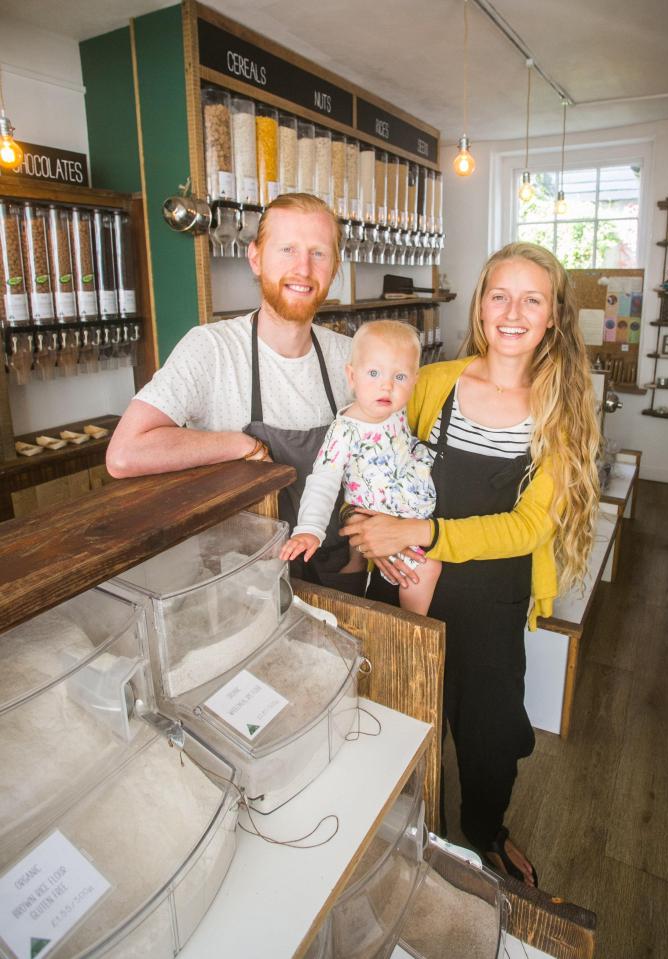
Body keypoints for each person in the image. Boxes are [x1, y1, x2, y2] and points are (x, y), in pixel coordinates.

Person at [341, 242, 601, 886]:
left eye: (531, 299)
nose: (512, 311)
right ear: (481, 305)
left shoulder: (560, 411)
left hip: (493, 593)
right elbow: (371, 452)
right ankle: (399, 831)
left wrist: (423, 533)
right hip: (408, 579)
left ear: (553, 317)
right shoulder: (433, 382)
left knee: (489, 734)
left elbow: (529, 525)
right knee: (402, 711)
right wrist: (373, 532)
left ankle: (484, 831)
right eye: (499, 295)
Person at [106, 193, 361, 591]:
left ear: (335, 267)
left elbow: (372, 465)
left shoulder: (349, 356)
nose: (303, 268)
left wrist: (358, 559)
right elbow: (124, 454)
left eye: (319, 253)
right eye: (288, 249)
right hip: (244, 583)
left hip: (334, 573)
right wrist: (235, 444)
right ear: (255, 257)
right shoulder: (211, 348)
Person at [280, 319, 440, 615]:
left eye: (400, 376)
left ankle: (370, 580)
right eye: (374, 373)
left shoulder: (396, 408)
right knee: (427, 569)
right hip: (381, 520)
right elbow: (323, 481)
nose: (387, 385)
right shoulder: (345, 431)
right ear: (352, 377)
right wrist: (310, 529)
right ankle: (413, 630)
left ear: (415, 381)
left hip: (405, 510)